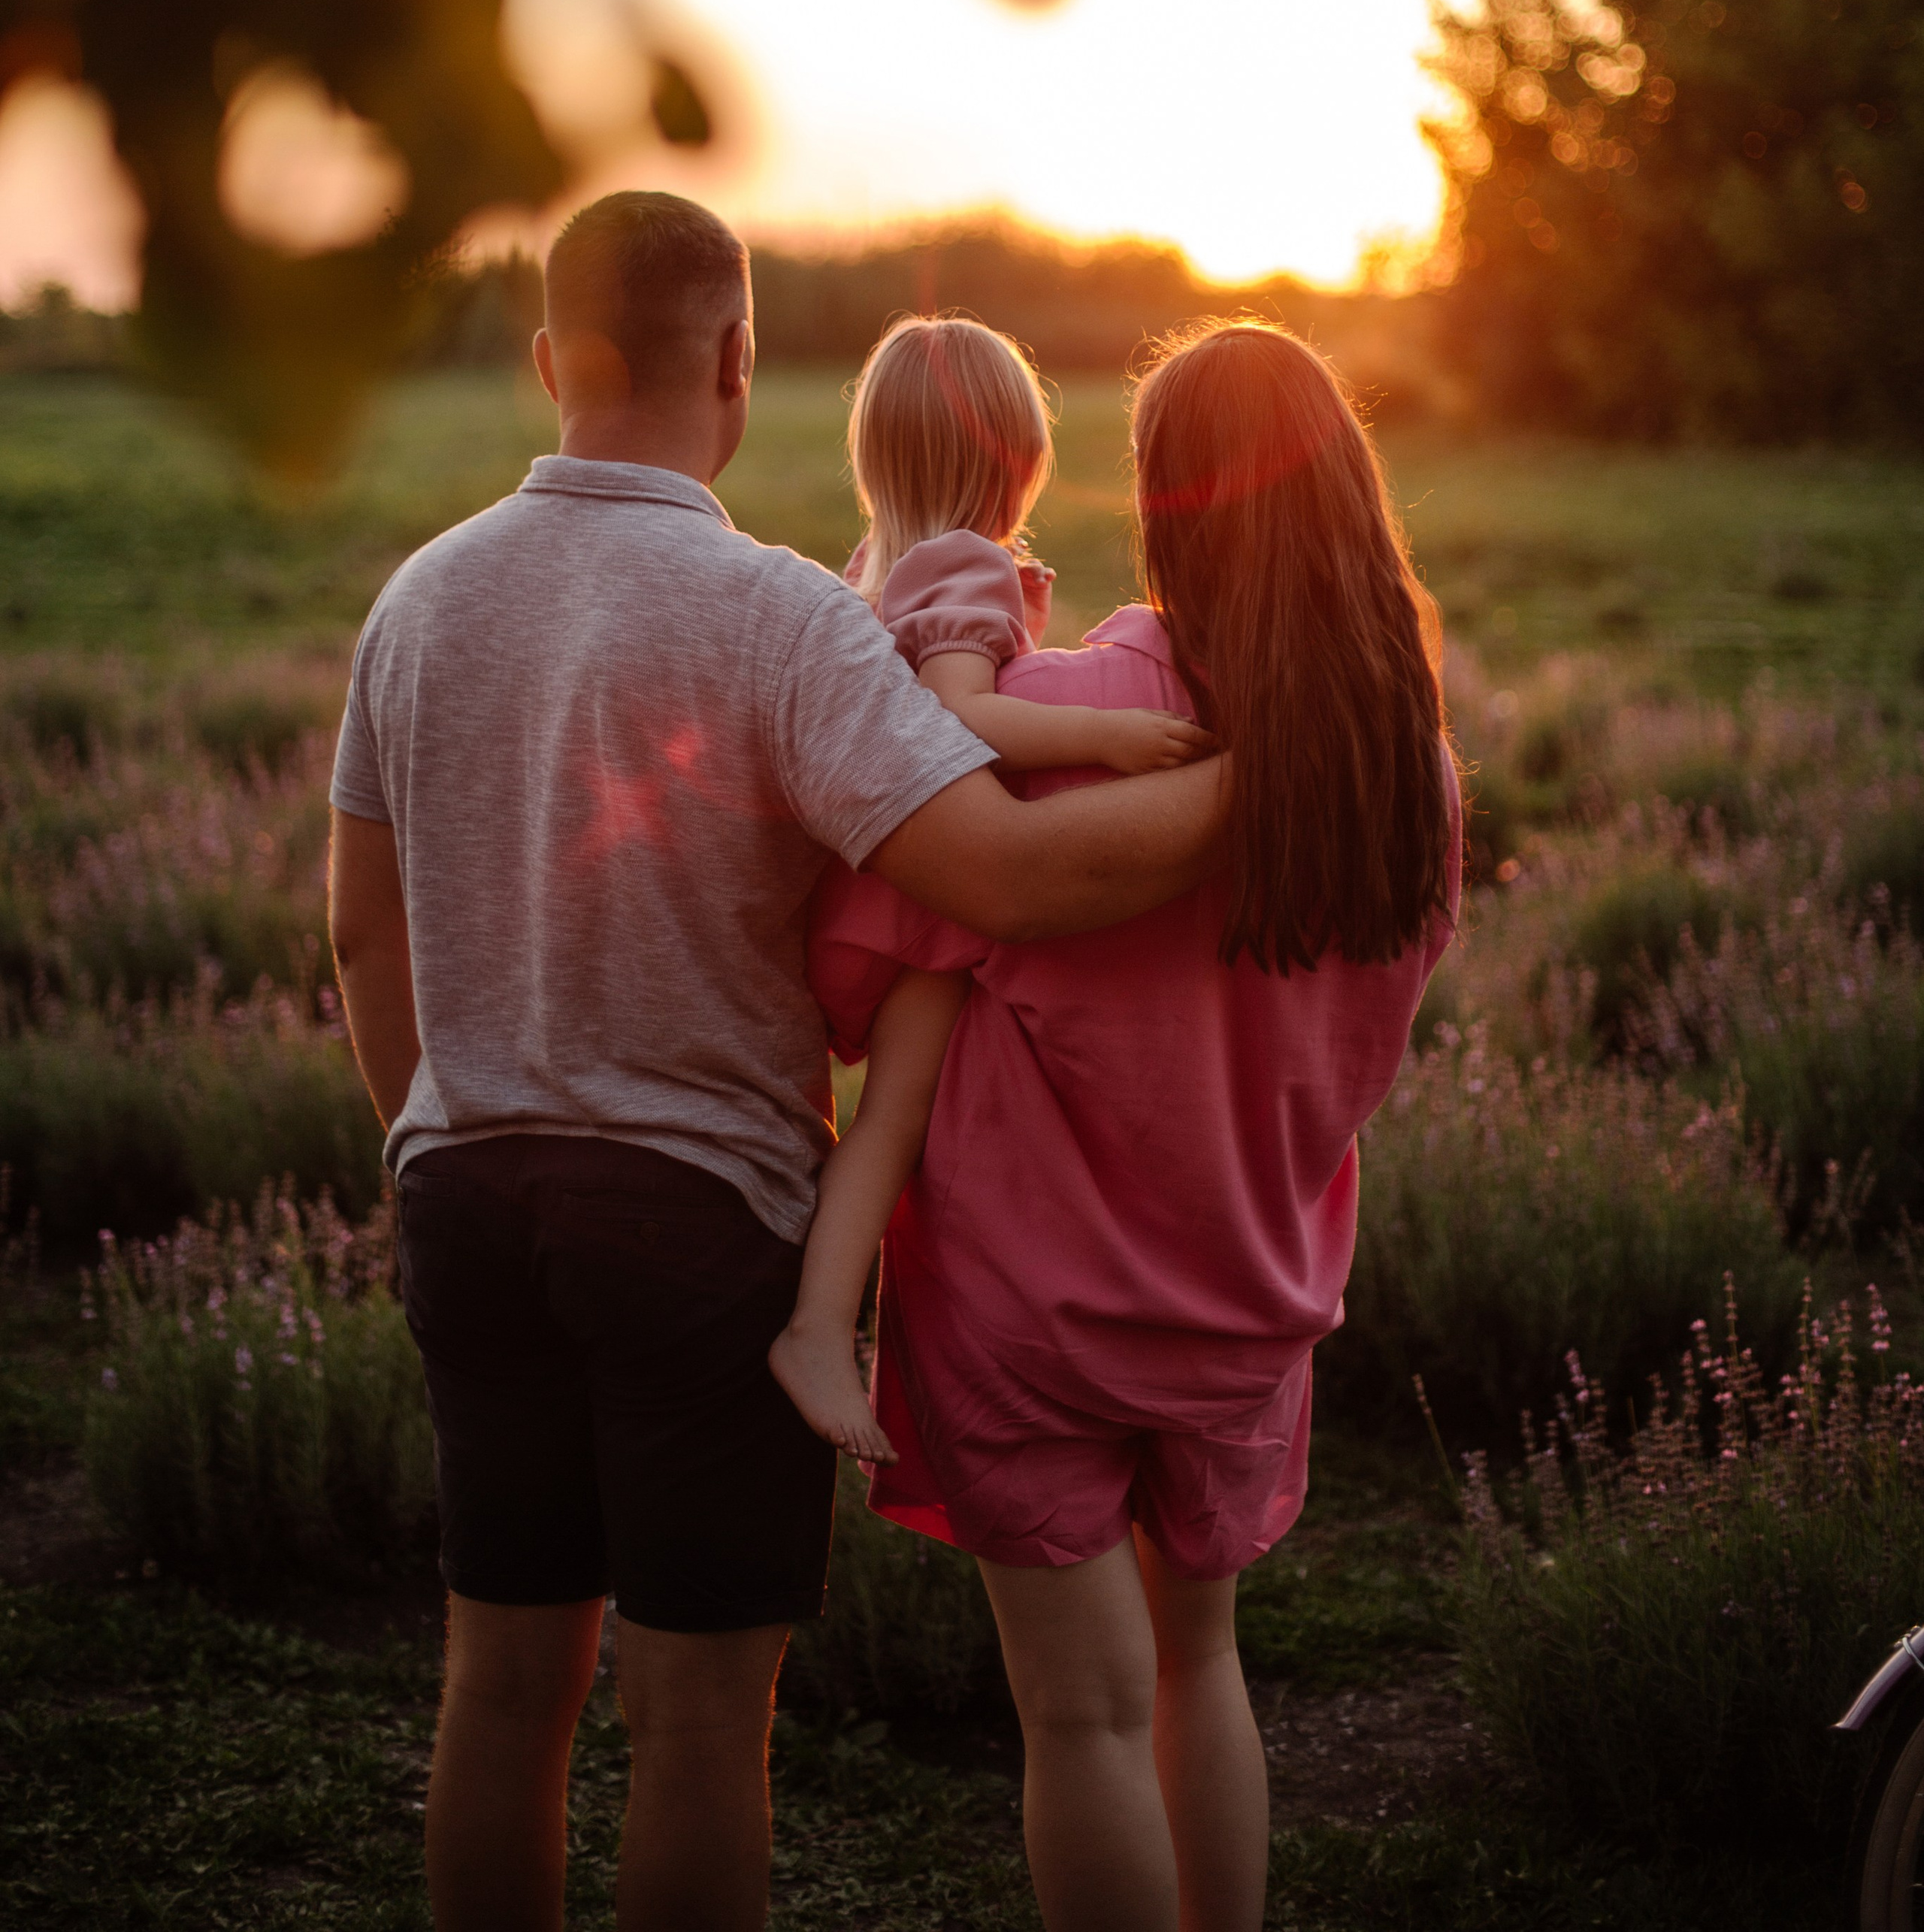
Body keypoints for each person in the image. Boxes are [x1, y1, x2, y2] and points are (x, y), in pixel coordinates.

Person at [325, 193, 1227, 1932]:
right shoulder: (774, 619)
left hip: (465, 1186)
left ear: (544, 362)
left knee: (500, 1693)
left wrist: (434, 1143)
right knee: (692, 1725)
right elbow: (1007, 877)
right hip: (697, 1220)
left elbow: (368, 939)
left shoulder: (416, 600)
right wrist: (1267, 781)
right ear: (738, 361)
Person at [806, 322, 1462, 1932]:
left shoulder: (1066, 706)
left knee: (1080, 1716)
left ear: (1167, 504)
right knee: (1203, 1664)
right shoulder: (1408, 773)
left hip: (1025, 1302)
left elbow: (856, 955)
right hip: (1245, 1296)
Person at [769, 314, 1213, 1461]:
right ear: (1019, 457)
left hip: (877, 879)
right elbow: (961, 715)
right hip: (925, 898)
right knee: (897, 1120)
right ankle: (820, 1328)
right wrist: (1106, 744)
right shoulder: (963, 563)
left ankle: (826, 1312)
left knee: (886, 1118)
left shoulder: (874, 565)